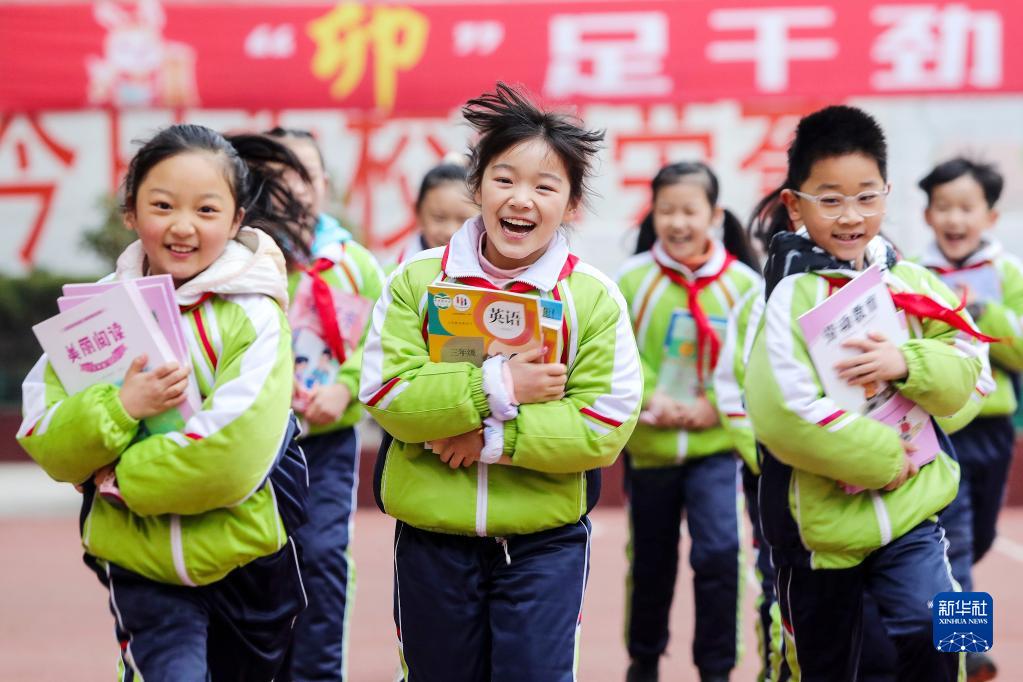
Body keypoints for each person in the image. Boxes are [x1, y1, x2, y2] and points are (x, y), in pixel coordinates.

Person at [359, 82, 643, 681]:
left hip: (546, 542)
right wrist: (499, 387)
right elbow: (388, 393)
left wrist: (489, 440)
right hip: (433, 535)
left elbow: (604, 423)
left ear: (571, 204)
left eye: (545, 186)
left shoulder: (593, 298)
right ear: (478, 185)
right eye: (505, 179)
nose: (521, 199)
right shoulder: (417, 280)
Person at [17, 123, 309, 681]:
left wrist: (115, 478)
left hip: (248, 566)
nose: (182, 225)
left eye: (206, 209)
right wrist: (121, 407)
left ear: (236, 220)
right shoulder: (96, 314)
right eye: (162, 205)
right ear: (130, 211)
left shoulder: (255, 315)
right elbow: (44, 432)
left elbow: (231, 458)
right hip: (140, 566)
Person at [745, 105, 991, 681]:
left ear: (887, 193)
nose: (851, 215)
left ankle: (974, 664)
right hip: (818, 533)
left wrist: (908, 364)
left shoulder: (910, 279)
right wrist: (884, 458)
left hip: (921, 505)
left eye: (865, 197)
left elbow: (974, 363)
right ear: (795, 204)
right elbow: (781, 411)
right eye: (830, 200)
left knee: (950, 624)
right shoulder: (785, 296)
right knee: (820, 666)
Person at [616, 161, 761, 682]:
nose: (678, 222)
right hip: (651, 448)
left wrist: (716, 406)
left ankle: (716, 669)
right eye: (666, 210)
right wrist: (652, 396)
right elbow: (616, 354)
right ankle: (645, 660)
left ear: (715, 215)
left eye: (689, 211)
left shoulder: (744, 285)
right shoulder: (631, 281)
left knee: (720, 554)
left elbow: (755, 362)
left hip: (715, 449)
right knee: (651, 560)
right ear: (652, 214)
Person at [259, 127, 386, 682]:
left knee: (322, 559)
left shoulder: (353, 264)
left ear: (324, 185)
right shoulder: (244, 259)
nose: (292, 189)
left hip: (326, 443)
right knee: (256, 564)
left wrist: (346, 388)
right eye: (275, 177)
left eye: (304, 175)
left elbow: (382, 343)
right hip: (250, 446)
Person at [918, 156, 1019, 682]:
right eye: (943, 207)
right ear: (927, 214)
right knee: (954, 540)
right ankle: (966, 651)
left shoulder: (1007, 273)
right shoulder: (914, 274)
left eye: (966, 208)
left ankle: (945, 608)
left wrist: (982, 313)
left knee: (978, 537)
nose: (954, 219)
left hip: (994, 429)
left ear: (990, 216)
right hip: (942, 428)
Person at [392, 156, 477, 267]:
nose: (450, 232)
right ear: (418, 214)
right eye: (439, 218)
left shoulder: (493, 270)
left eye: (463, 220)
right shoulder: (396, 272)